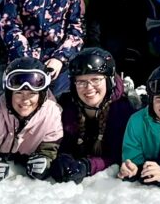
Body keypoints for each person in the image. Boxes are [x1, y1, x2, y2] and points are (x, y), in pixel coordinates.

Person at [50, 47, 133, 180]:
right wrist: (63, 159)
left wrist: (88, 166)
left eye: (95, 80)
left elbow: (119, 155)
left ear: (109, 80)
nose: (89, 88)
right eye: (81, 81)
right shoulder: (67, 107)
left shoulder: (122, 111)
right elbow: (63, 144)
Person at [0, 65, 65, 179]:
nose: (25, 100)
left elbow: (50, 151)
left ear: (41, 95)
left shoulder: (52, 113)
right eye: (19, 93)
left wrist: (45, 162)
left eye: (32, 93)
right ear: (9, 94)